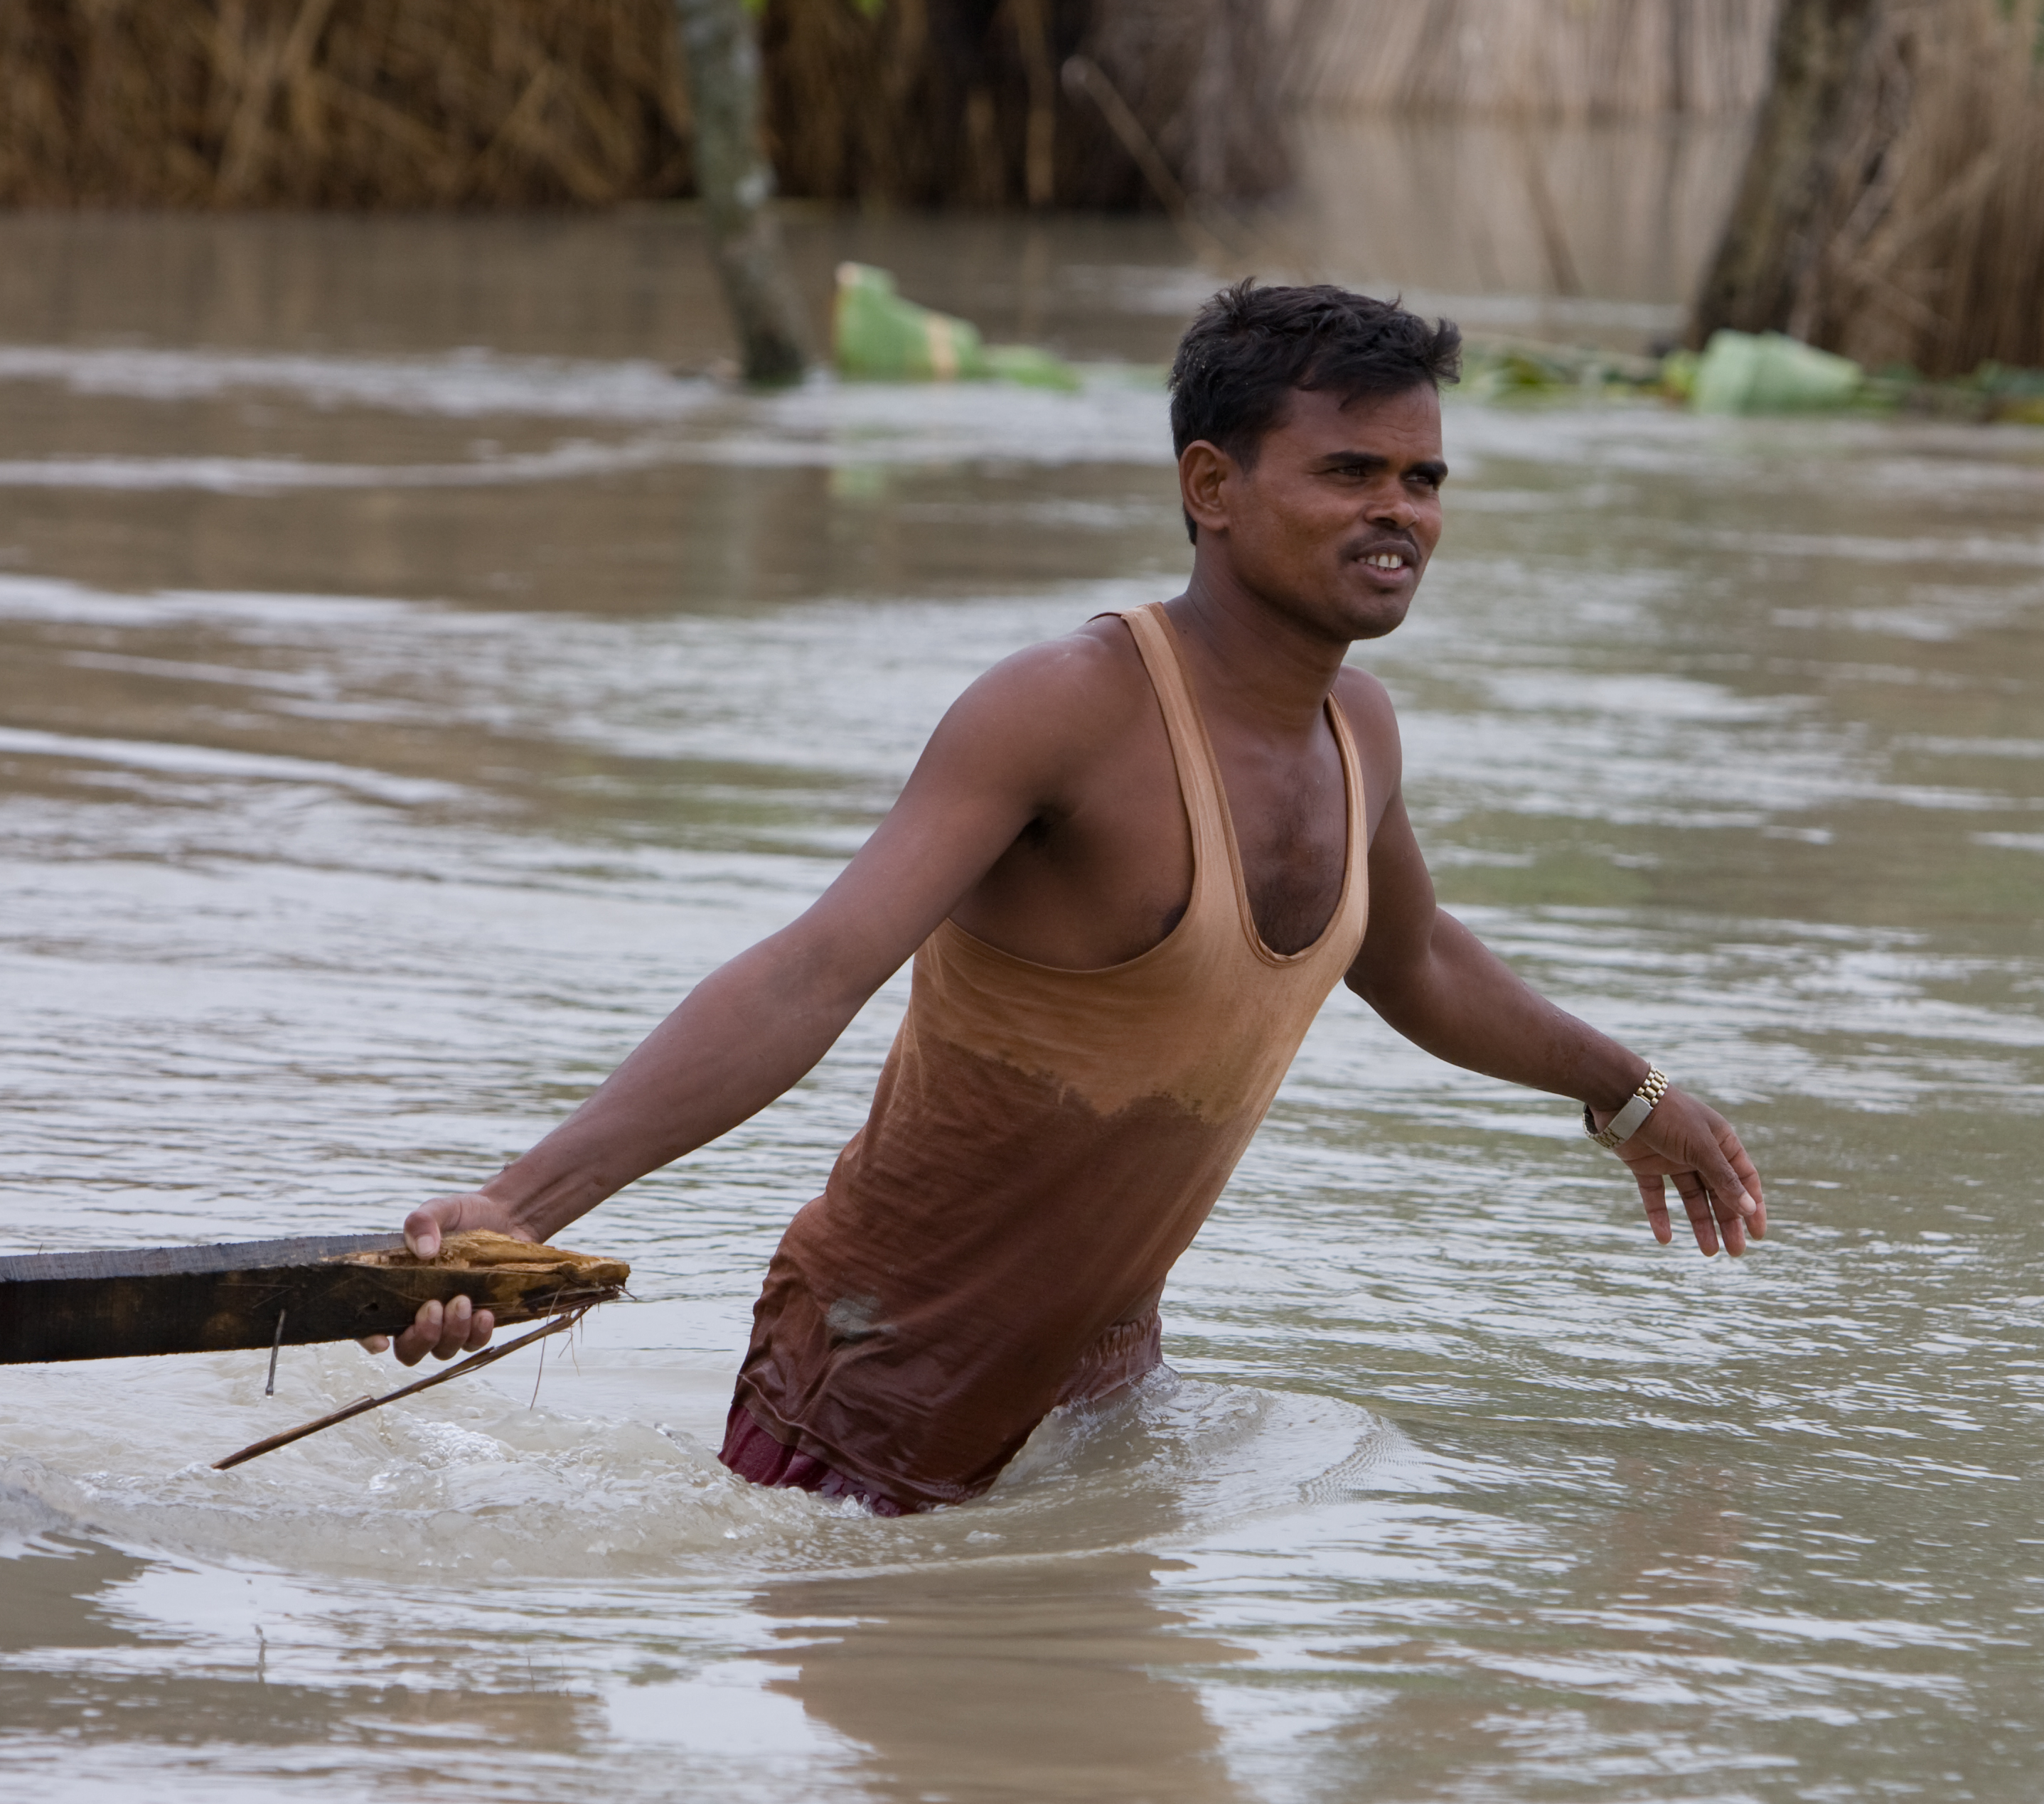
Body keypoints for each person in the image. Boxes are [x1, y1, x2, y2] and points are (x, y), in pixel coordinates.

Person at [376, 281, 1765, 1515]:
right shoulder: (1066, 714)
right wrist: (522, 1205)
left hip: (1103, 1414)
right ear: (1211, 488)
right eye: (1351, 472)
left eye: (1423, 477)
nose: (1400, 512)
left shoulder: (1362, 732)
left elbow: (1417, 963)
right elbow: (814, 970)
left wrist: (1630, 1094)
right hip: (872, 1391)